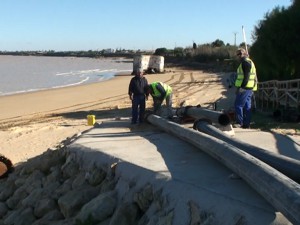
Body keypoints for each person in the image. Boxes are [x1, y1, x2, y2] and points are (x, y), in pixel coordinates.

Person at [234, 48, 258, 129]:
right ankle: (246, 124)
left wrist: (241, 88)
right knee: (247, 106)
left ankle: (239, 122)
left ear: (241, 55)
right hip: (250, 87)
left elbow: (246, 77)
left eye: (237, 55)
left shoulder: (245, 63)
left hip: (245, 87)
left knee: (238, 105)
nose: (237, 57)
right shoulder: (249, 62)